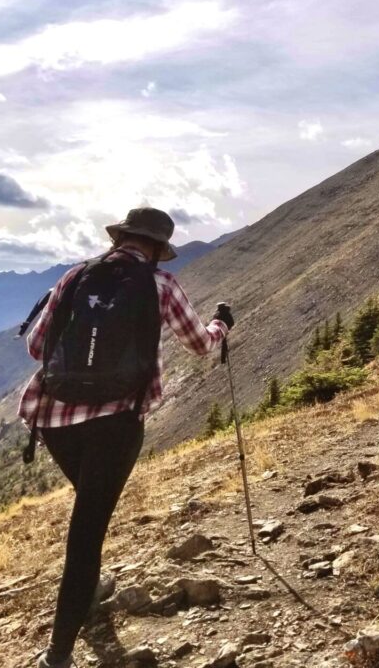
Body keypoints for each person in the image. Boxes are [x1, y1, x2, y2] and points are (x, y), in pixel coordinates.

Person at [18, 208, 234, 668]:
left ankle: (89, 592)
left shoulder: (75, 276)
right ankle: (57, 655)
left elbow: (36, 346)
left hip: (55, 418)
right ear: (158, 249)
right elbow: (199, 344)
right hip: (116, 422)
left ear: (120, 238)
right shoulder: (160, 285)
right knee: (87, 532)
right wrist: (221, 325)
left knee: (89, 512)